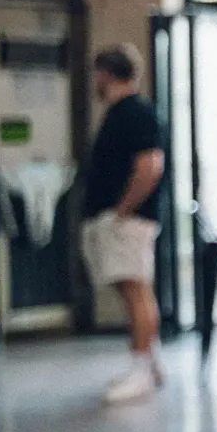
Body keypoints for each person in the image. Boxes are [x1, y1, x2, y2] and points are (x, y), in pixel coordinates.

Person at [83, 43, 166, 404]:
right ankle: (151, 363)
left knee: (135, 290)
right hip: (121, 218)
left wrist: (123, 210)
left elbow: (150, 167)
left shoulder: (136, 112)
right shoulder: (122, 113)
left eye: (97, 74)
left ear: (106, 73)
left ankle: (141, 369)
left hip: (129, 220)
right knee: (131, 289)